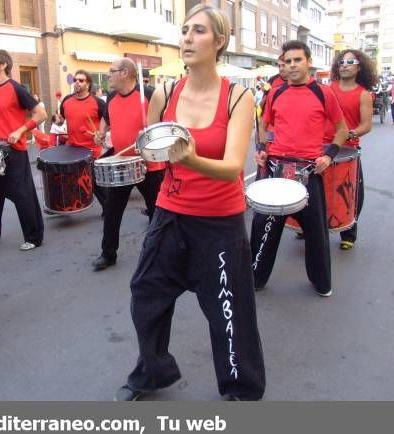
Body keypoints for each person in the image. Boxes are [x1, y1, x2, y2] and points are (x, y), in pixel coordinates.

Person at [115, 5, 265, 401]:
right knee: (145, 294)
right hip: (170, 213)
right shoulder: (164, 93)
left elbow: (233, 165)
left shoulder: (239, 97)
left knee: (228, 312)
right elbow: (152, 151)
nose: (186, 37)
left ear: (218, 42)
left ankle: (241, 387)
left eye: (198, 31)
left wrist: (191, 158)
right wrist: (138, 159)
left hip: (219, 223)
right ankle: (154, 370)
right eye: (184, 30)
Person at [252, 40, 348, 298]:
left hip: (309, 173)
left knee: (316, 233)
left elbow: (342, 130)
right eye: (287, 61)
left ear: (308, 62)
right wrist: (261, 148)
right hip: (277, 170)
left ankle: (321, 282)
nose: (292, 65)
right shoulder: (276, 92)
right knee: (264, 226)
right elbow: (263, 123)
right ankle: (255, 277)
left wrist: (329, 155)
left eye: (297, 60)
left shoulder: (323, 93)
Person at [91, 58, 164, 271]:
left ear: (124, 73)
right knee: (113, 210)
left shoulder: (148, 94)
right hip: (122, 163)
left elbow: (166, 120)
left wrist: (150, 131)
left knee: (157, 211)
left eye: (110, 71)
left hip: (149, 164)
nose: (107, 76)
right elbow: (106, 117)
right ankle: (108, 254)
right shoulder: (112, 97)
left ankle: (160, 253)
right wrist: (101, 131)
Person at [0, 48, 46, 251]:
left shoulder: (17, 89)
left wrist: (20, 130)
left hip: (14, 150)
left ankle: (33, 237)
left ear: (3, 65)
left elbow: (40, 114)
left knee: (22, 195)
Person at [324, 49, 376, 250]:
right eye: (341, 62)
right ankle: (307, 225)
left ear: (359, 67)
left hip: (348, 151)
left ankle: (348, 233)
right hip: (322, 148)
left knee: (351, 194)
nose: (344, 65)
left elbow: (366, 125)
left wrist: (350, 134)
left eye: (350, 61)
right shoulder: (328, 89)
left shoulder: (363, 94)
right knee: (316, 190)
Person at [59, 70, 108, 211]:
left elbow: (108, 121)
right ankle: (66, 205)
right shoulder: (66, 101)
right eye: (75, 80)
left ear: (88, 84)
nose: (77, 82)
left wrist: (101, 133)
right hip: (72, 149)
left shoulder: (97, 103)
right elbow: (63, 118)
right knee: (70, 179)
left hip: (91, 151)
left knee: (94, 182)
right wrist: (58, 121)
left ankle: (108, 209)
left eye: (81, 80)